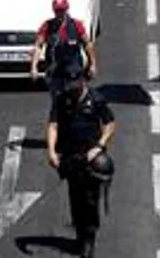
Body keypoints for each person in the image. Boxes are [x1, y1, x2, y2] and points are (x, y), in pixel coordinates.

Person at [46, 75, 117, 258]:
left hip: (91, 158)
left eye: (75, 85)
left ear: (83, 81)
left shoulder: (96, 99)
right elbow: (53, 125)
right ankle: (80, 234)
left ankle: (88, 240)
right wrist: (52, 151)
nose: (72, 89)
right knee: (75, 199)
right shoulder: (63, 99)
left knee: (90, 201)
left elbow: (110, 124)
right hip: (70, 157)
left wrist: (99, 146)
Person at [30, 0, 96, 99]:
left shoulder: (76, 25)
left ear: (66, 9)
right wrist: (34, 67)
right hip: (55, 71)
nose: (59, 13)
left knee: (78, 98)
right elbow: (38, 46)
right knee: (58, 99)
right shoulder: (47, 26)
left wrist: (92, 64)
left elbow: (87, 44)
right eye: (57, 11)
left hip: (73, 70)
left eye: (62, 10)